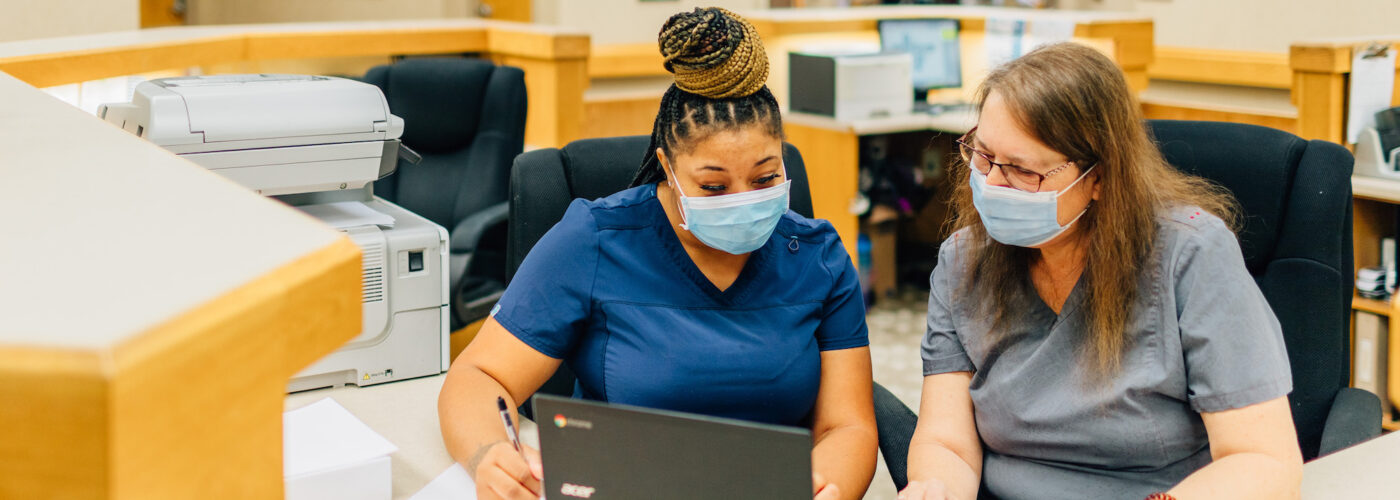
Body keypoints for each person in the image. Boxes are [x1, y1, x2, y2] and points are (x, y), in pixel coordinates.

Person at [437, 7, 877, 500]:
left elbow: (848, 427)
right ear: (667, 167)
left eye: (765, 178)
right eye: (713, 186)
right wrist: (489, 455)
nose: (742, 200)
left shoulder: (817, 257)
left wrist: (825, 488)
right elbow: (478, 376)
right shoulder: (596, 239)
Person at [892, 42, 1302, 500]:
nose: (990, 184)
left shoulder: (1190, 257)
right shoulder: (964, 260)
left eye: (1023, 171)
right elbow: (947, 443)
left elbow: (1261, 460)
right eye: (983, 155)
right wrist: (935, 490)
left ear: (1100, 178)